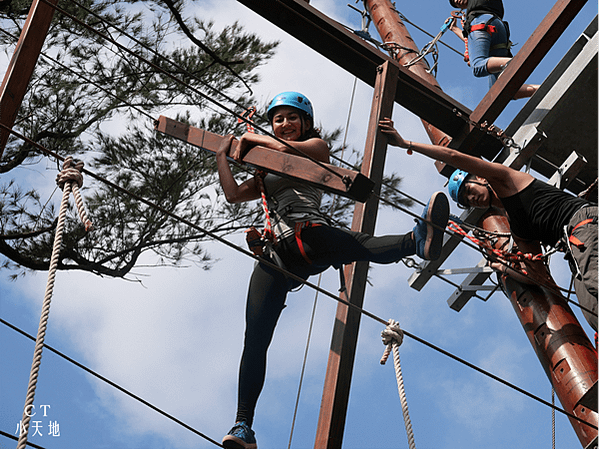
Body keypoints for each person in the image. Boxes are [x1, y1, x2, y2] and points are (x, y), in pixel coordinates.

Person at [215, 91, 450, 449]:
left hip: (309, 235)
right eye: (278, 119)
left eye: (292, 118)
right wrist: (222, 157)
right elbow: (233, 195)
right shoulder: (266, 168)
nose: (285, 124)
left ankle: (415, 242)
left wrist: (253, 139)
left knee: (356, 244)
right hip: (276, 256)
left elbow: (292, 151)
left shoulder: (315, 147)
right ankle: (243, 425)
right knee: (255, 338)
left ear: (306, 123)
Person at [379, 117, 599, 333]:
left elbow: (454, 156)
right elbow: (538, 277)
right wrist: (502, 267)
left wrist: (406, 144)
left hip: (584, 224)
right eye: (465, 200)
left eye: (468, 189)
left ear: (480, 178)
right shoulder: (519, 230)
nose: (470, 198)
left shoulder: (509, 181)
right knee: (593, 312)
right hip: (574, 248)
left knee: (595, 285)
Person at [448, 0, 539, 99]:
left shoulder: (476, 11)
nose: (457, 1)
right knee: (500, 90)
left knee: (478, 66)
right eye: (456, 3)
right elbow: (473, 41)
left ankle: (515, 61)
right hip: (496, 28)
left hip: (483, 23)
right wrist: (455, 29)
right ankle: (540, 89)